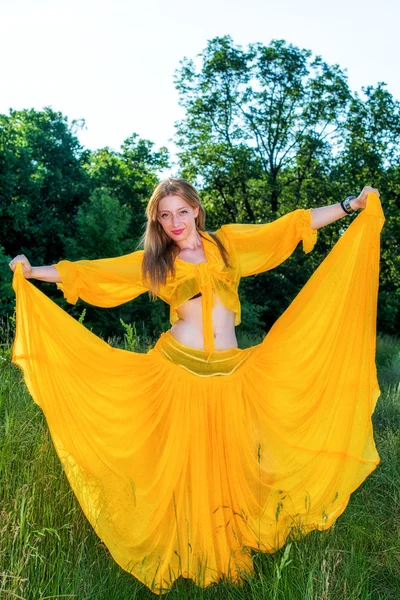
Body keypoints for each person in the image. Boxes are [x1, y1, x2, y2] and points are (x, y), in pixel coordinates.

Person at [9, 178, 385, 595]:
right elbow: (92, 273)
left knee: (232, 460)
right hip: (178, 373)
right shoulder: (154, 262)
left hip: (230, 374)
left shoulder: (227, 245)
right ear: (158, 219)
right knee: (185, 464)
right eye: (165, 214)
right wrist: (30, 271)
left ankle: (225, 542)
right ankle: (189, 548)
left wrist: (349, 205)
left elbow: (289, 226)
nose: (174, 222)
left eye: (181, 211)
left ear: (196, 210)